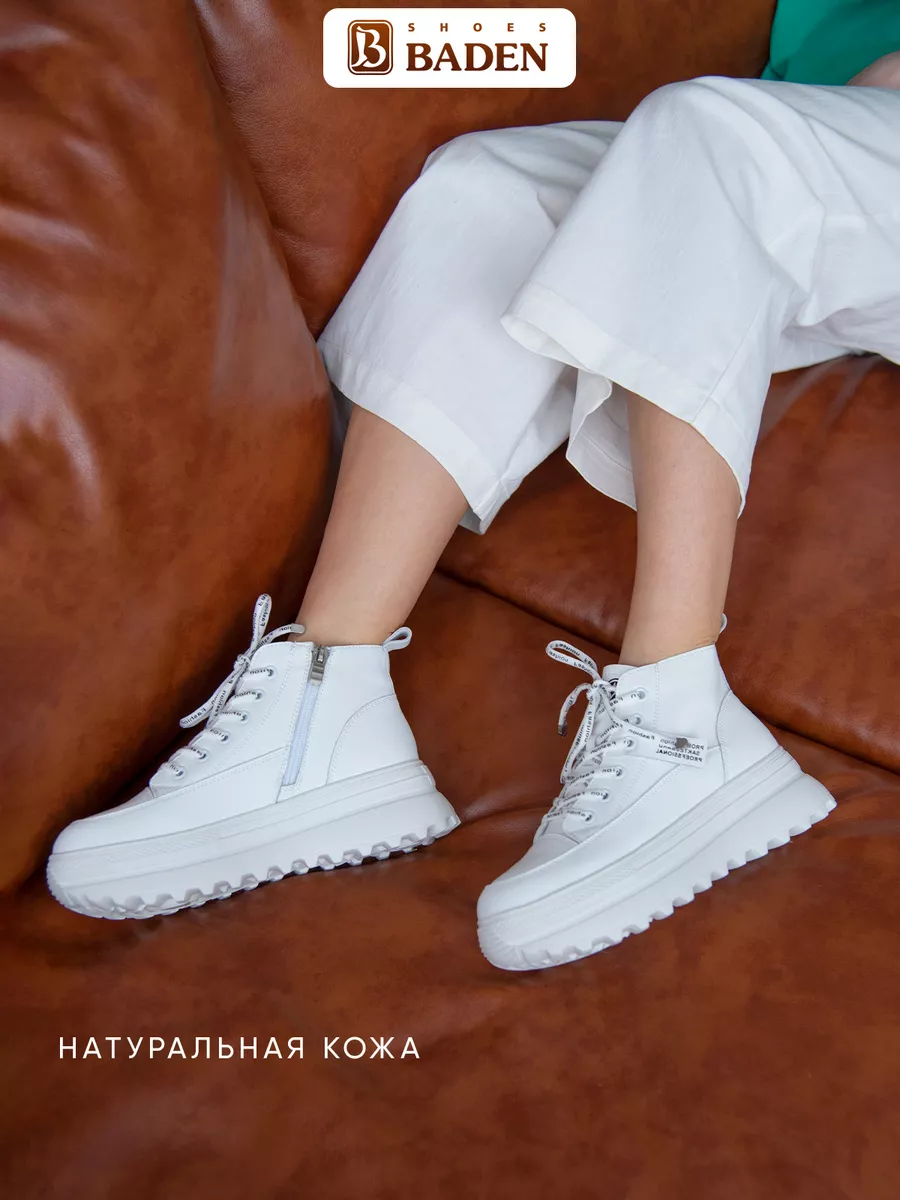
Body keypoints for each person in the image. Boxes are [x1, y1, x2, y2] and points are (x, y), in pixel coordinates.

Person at [46, 58, 900, 972]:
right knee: (489, 193)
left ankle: (682, 720)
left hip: (801, 140)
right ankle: (323, 708)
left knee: (716, 139)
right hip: (821, 134)